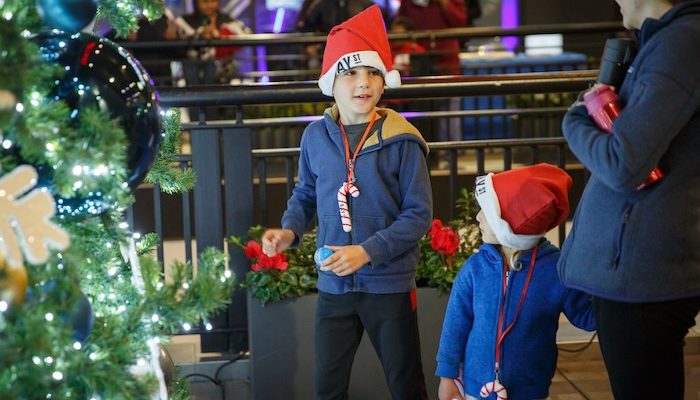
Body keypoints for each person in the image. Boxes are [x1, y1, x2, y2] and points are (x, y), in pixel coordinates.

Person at [261, 5, 433, 399]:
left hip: (388, 285)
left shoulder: (403, 139)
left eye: (373, 72)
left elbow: (419, 214)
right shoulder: (315, 138)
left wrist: (368, 252)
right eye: (351, 73)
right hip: (334, 286)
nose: (363, 83)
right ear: (331, 82)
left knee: (406, 384)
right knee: (328, 387)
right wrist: (289, 232)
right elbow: (305, 194)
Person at [558, 0, 700, 399]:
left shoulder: (681, 44)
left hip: (643, 277)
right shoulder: (663, 43)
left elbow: (623, 164)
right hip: (635, 273)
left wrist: (574, 120)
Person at [436, 164, 596, 400]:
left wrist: (608, 286)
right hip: (473, 389)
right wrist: (447, 376)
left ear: (510, 226)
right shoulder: (475, 269)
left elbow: (587, 316)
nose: (478, 217)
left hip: (532, 391)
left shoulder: (556, 270)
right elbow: (455, 325)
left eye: (487, 214)